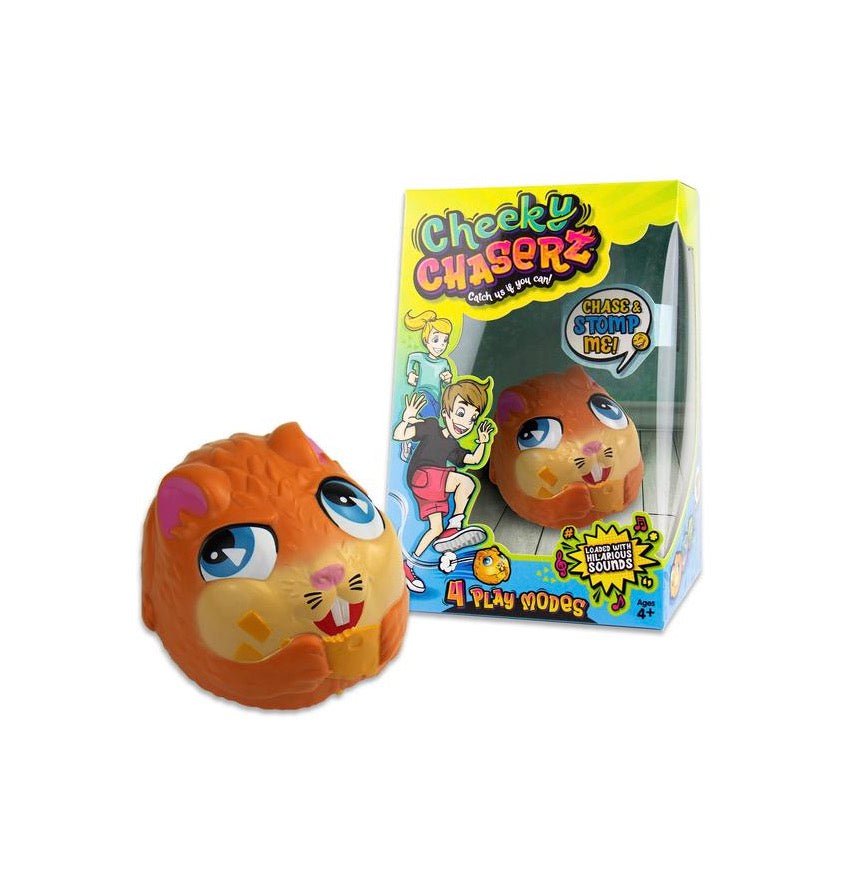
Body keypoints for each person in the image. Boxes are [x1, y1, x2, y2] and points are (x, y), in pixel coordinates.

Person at [392, 378, 494, 592]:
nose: (465, 423)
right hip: (423, 477)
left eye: (472, 419)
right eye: (461, 413)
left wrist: (483, 443)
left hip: (431, 488)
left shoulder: (453, 445)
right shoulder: (430, 426)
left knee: (435, 529)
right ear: (446, 412)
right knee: (465, 483)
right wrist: (406, 419)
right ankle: (455, 525)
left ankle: (408, 565)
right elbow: (399, 435)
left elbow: (473, 460)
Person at [400, 310, 453, 460]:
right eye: (436, 340)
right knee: (430, 425)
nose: (440, 345)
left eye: (445, 341)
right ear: (426, 340)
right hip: (422, 395)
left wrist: (447, 378)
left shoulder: (444, 363)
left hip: (437, 399)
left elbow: (447, 382)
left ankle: (410, 443)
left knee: (430, 427)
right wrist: (410, 373)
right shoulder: (421, 357)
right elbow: (411, 358)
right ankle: (408, 440)